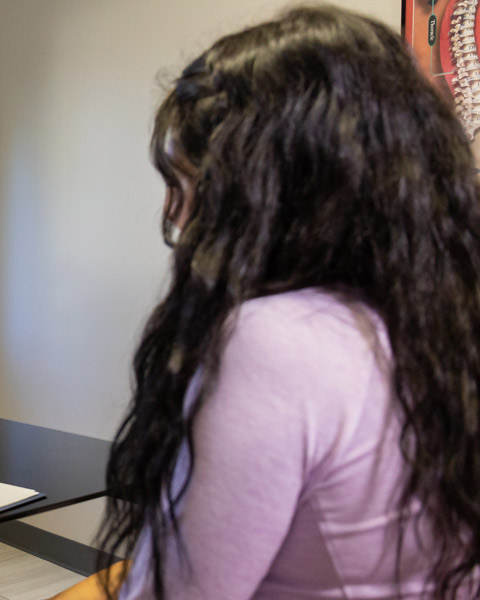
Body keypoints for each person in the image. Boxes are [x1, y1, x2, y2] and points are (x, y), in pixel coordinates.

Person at [56, 6, 480, 599]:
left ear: (274, 187)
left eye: (185, 186)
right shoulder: (443, 321)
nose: (173, 217)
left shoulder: (272, 340)